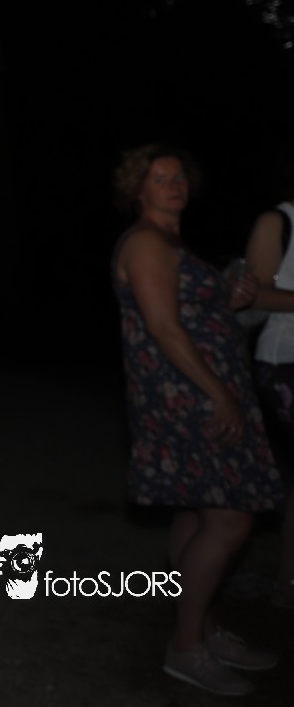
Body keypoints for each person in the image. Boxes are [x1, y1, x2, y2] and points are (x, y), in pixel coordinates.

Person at [110, 144, 283, 697]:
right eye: (160, 178)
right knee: (230, 519)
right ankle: (186, 648)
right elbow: (163, 326)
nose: (174, 184)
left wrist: (231, 297)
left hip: (200, 390)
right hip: (185, 397)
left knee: (196, 511)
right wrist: (219, 394)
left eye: (179, 176)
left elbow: (192, 309)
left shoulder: (174, 243)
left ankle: (202, 630)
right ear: (138, 190)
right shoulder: (144, 242)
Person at [244, 194, 294, 608]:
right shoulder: (278, 220)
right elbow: (252, 295)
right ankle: (286, 583)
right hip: (285, 360)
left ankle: (286, 584)